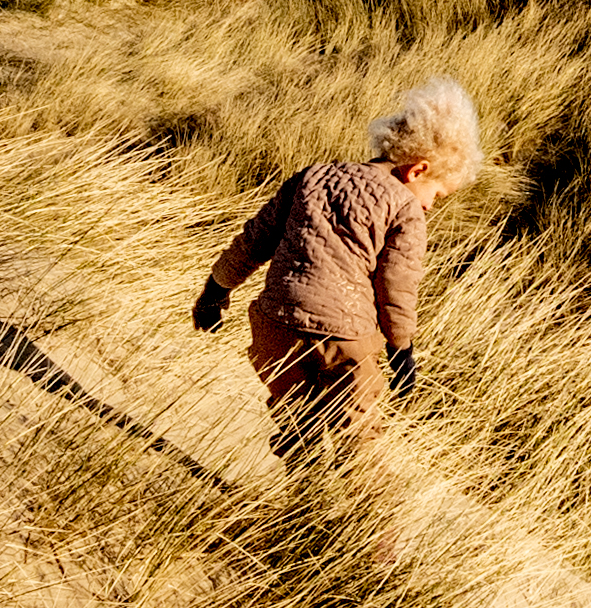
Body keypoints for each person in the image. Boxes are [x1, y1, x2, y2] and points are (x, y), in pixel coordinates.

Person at [199, 79, 481, 470]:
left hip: (274, 326)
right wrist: (402, 351)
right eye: (438, 195)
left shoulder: (312, 176)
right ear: (418, 170)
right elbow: (396, 288)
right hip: (343, 338)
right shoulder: (405, 207)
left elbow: (255, 239)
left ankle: (303, 501)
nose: (432, 206)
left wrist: (216, 288)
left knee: (297, 420)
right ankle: (362, 527)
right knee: (358, 441)